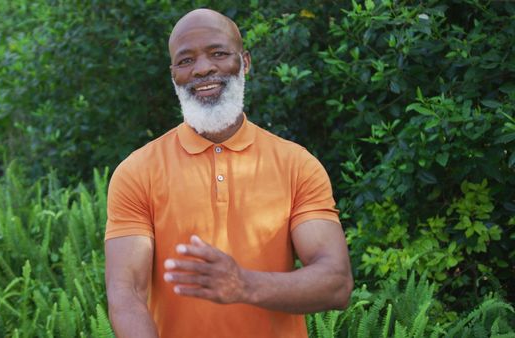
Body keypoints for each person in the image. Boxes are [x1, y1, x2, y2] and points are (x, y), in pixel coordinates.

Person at [105, 8, 353, 338]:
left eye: (218, 53)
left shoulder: (297, 165)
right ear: (173, 75)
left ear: (245, 62)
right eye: (185, 61)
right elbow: (126, 295)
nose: (203, 69)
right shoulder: (137, 172)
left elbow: (336, 283)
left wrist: (243, 284)